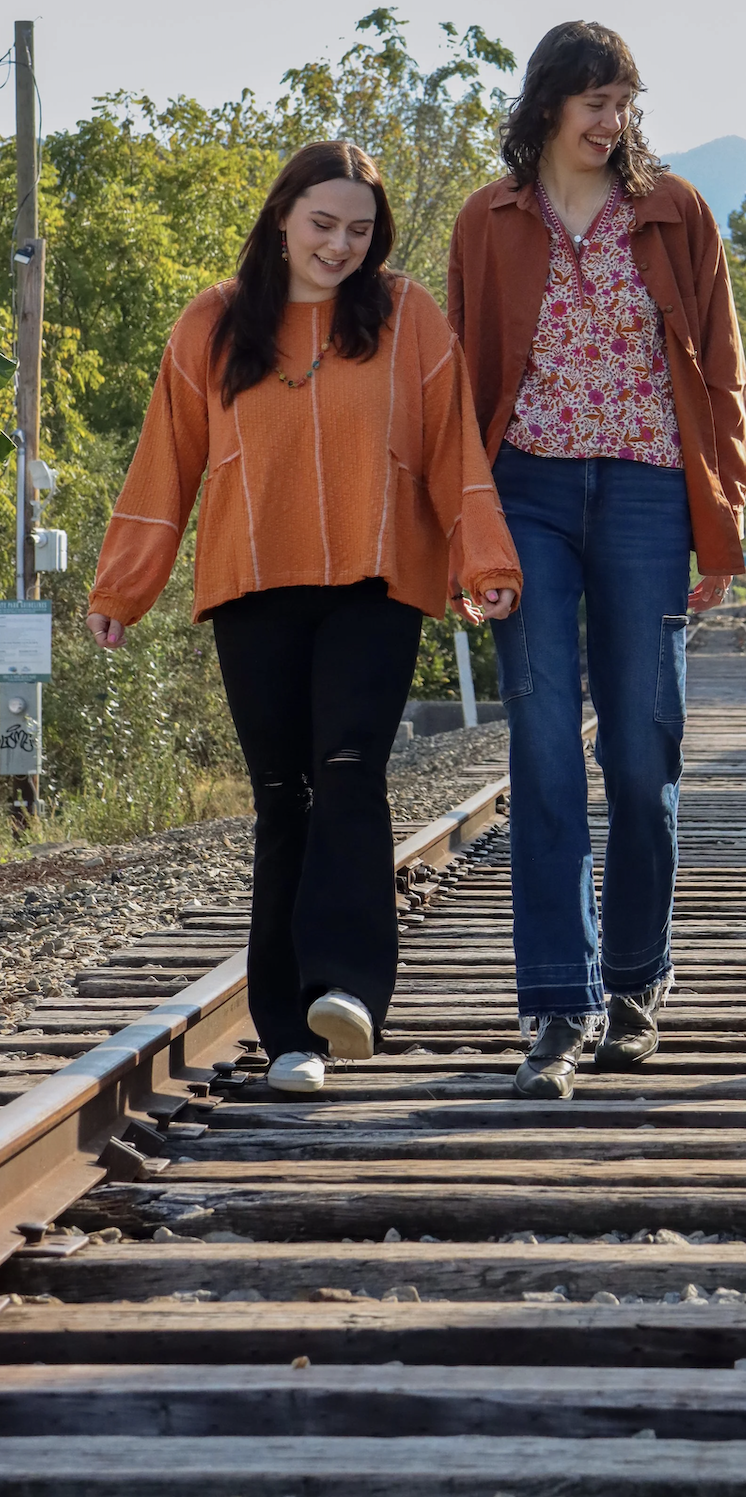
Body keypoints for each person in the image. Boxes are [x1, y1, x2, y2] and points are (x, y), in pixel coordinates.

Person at [87, 140, 520, 1094]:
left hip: (377, 581)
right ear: (281, 218)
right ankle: (289, 1034)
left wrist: (484, 558)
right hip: (254, 586)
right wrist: (123, 587)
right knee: (283, 797)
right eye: (323, 224)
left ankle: (350, 990)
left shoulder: (406, 314)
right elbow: (166, 462)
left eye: (359, 231)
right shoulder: (214, 321)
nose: (340, 245)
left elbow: (453, 448)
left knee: (352, 770)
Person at [448, 21, 746, 1100]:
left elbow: (719, 371)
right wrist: (468, 522)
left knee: (640, 751)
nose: (608, 117)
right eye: (591, 98)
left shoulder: (673, 211)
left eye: (622, 99)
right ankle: (556, 1006)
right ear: (545, 103)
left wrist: (720, 522)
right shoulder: (486, 221)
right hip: (524, 486)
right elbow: (462, 382)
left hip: (645, 492)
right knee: (540, 746)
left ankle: (633, 981)